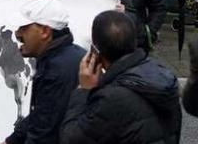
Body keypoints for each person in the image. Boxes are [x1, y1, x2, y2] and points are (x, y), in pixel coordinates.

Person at [59, 11, 181, 143]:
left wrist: (84, 91)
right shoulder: (163, 76)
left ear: (96, 51)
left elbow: (71, 139)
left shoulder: (111, 98)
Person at [5, 0, 87, 144]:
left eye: (24, 28)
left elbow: (44, 132)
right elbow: (40, 114)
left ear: (45, 31)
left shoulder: (57, 70)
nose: (17, 34)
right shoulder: (64, 58)